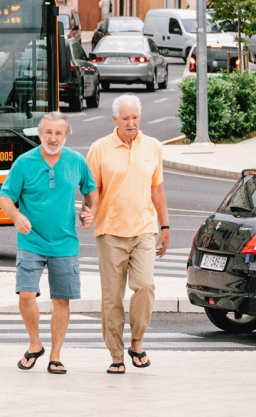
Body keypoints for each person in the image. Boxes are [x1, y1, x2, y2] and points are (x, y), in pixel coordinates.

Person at [0, 112, 96, 375]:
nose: (53, 138)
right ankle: (34, 344)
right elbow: (4, 197)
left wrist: (89, 211)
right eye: (48, 133)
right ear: (40, 134)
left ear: (66, 135)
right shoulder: (24, 163)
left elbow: (90, 191)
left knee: (61, 301)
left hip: (65, 244)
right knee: (26, 294)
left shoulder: (76, 161)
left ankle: (55, 356)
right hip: (31, 241)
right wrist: (17, 215)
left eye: (59, 133)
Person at [85, 94, 169, 375]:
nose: (131, 123)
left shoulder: (153, 147)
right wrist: (90, 212)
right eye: (125, 118)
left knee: (145, 286)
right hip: (110, 232)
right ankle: (116, 354)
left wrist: (165, 228)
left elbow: (157, 190)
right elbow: (90, 188)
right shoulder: (99, 149)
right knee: (112, 297)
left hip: (144, 229)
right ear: (115, 120)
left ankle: (137, 342)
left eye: (135, 117)